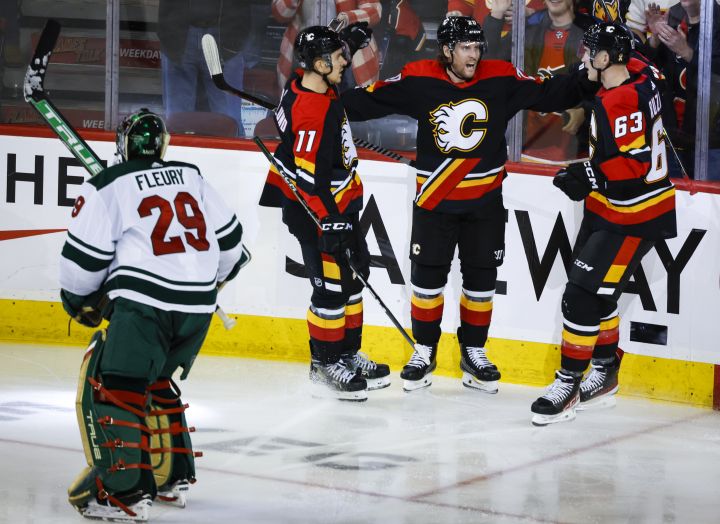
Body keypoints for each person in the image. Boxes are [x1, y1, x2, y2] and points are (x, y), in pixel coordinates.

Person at [341, 16, 601, 393]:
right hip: (436, 200)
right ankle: (425, 349)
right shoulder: (419, 77)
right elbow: (367, 101)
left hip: (484, 203)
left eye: (478, 47)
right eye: (466, 48)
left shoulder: (501, 78)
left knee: (480, 280)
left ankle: (474, 352)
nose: (474, 55)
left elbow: (552, 92)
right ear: (446, 51)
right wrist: (321, 98)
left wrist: (590, 72)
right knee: (427, 280)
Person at [61, 109, 246, 520]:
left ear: (122, 146)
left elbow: (81, 266)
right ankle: (170, 476)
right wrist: (204, 283)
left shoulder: (106, 185)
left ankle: (125, 493)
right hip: (198, 308)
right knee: (158, 380)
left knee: (115, 386)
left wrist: (79, 303)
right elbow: (233, 247)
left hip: (145, 307)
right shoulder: (190, 175)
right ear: (163, 145)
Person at [531, 22, 677, 426]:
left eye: (589, 51)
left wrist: (588, 175)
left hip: (634, 212)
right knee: (600, 294)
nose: (582, 58)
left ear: (607, 58)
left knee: (578, 296)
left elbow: (637, 164)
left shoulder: (621, 100)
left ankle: (568, 385)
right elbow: (648, 69)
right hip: (610, 205)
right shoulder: (643, 78)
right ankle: (606, 371)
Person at [258, 25, 391, 401]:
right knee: (331, 289)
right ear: (318, 64)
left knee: (354, 277)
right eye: (338, 57)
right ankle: (325, 363)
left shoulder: (311, 81)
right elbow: (307, 179)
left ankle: (348, 354)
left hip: (340, 199)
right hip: (316, 208)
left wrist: (345, 39)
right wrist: (327, 221)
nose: (345, 61)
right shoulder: (312, 112)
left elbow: (327, 62)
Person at [485, 0, 587, 163]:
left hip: (572, 148)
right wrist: (496, 15)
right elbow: (490, 64)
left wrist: (585, 110)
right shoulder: (527, 29)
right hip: (524, 141)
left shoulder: (590, 32)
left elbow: (606, 81)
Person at [645, 0, 720, 180]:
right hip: (671, 139)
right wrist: (655, 38)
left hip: (711, 144)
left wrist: (687, 52)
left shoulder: (717, 22)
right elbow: (647, 70)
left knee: (710, 205)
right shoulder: (673, 17)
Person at [157, 1, 252, 136]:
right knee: (176, 120)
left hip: (226, 32)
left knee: (228, 120)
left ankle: (232, 155)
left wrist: (236, 39)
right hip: (178, 32)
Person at [272, 0, 382, 90]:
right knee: (305, 105)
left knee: (350, 107)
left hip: (348, 55)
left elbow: (375, 10)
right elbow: (280, 14)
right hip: (305, 52)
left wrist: (348, 18)